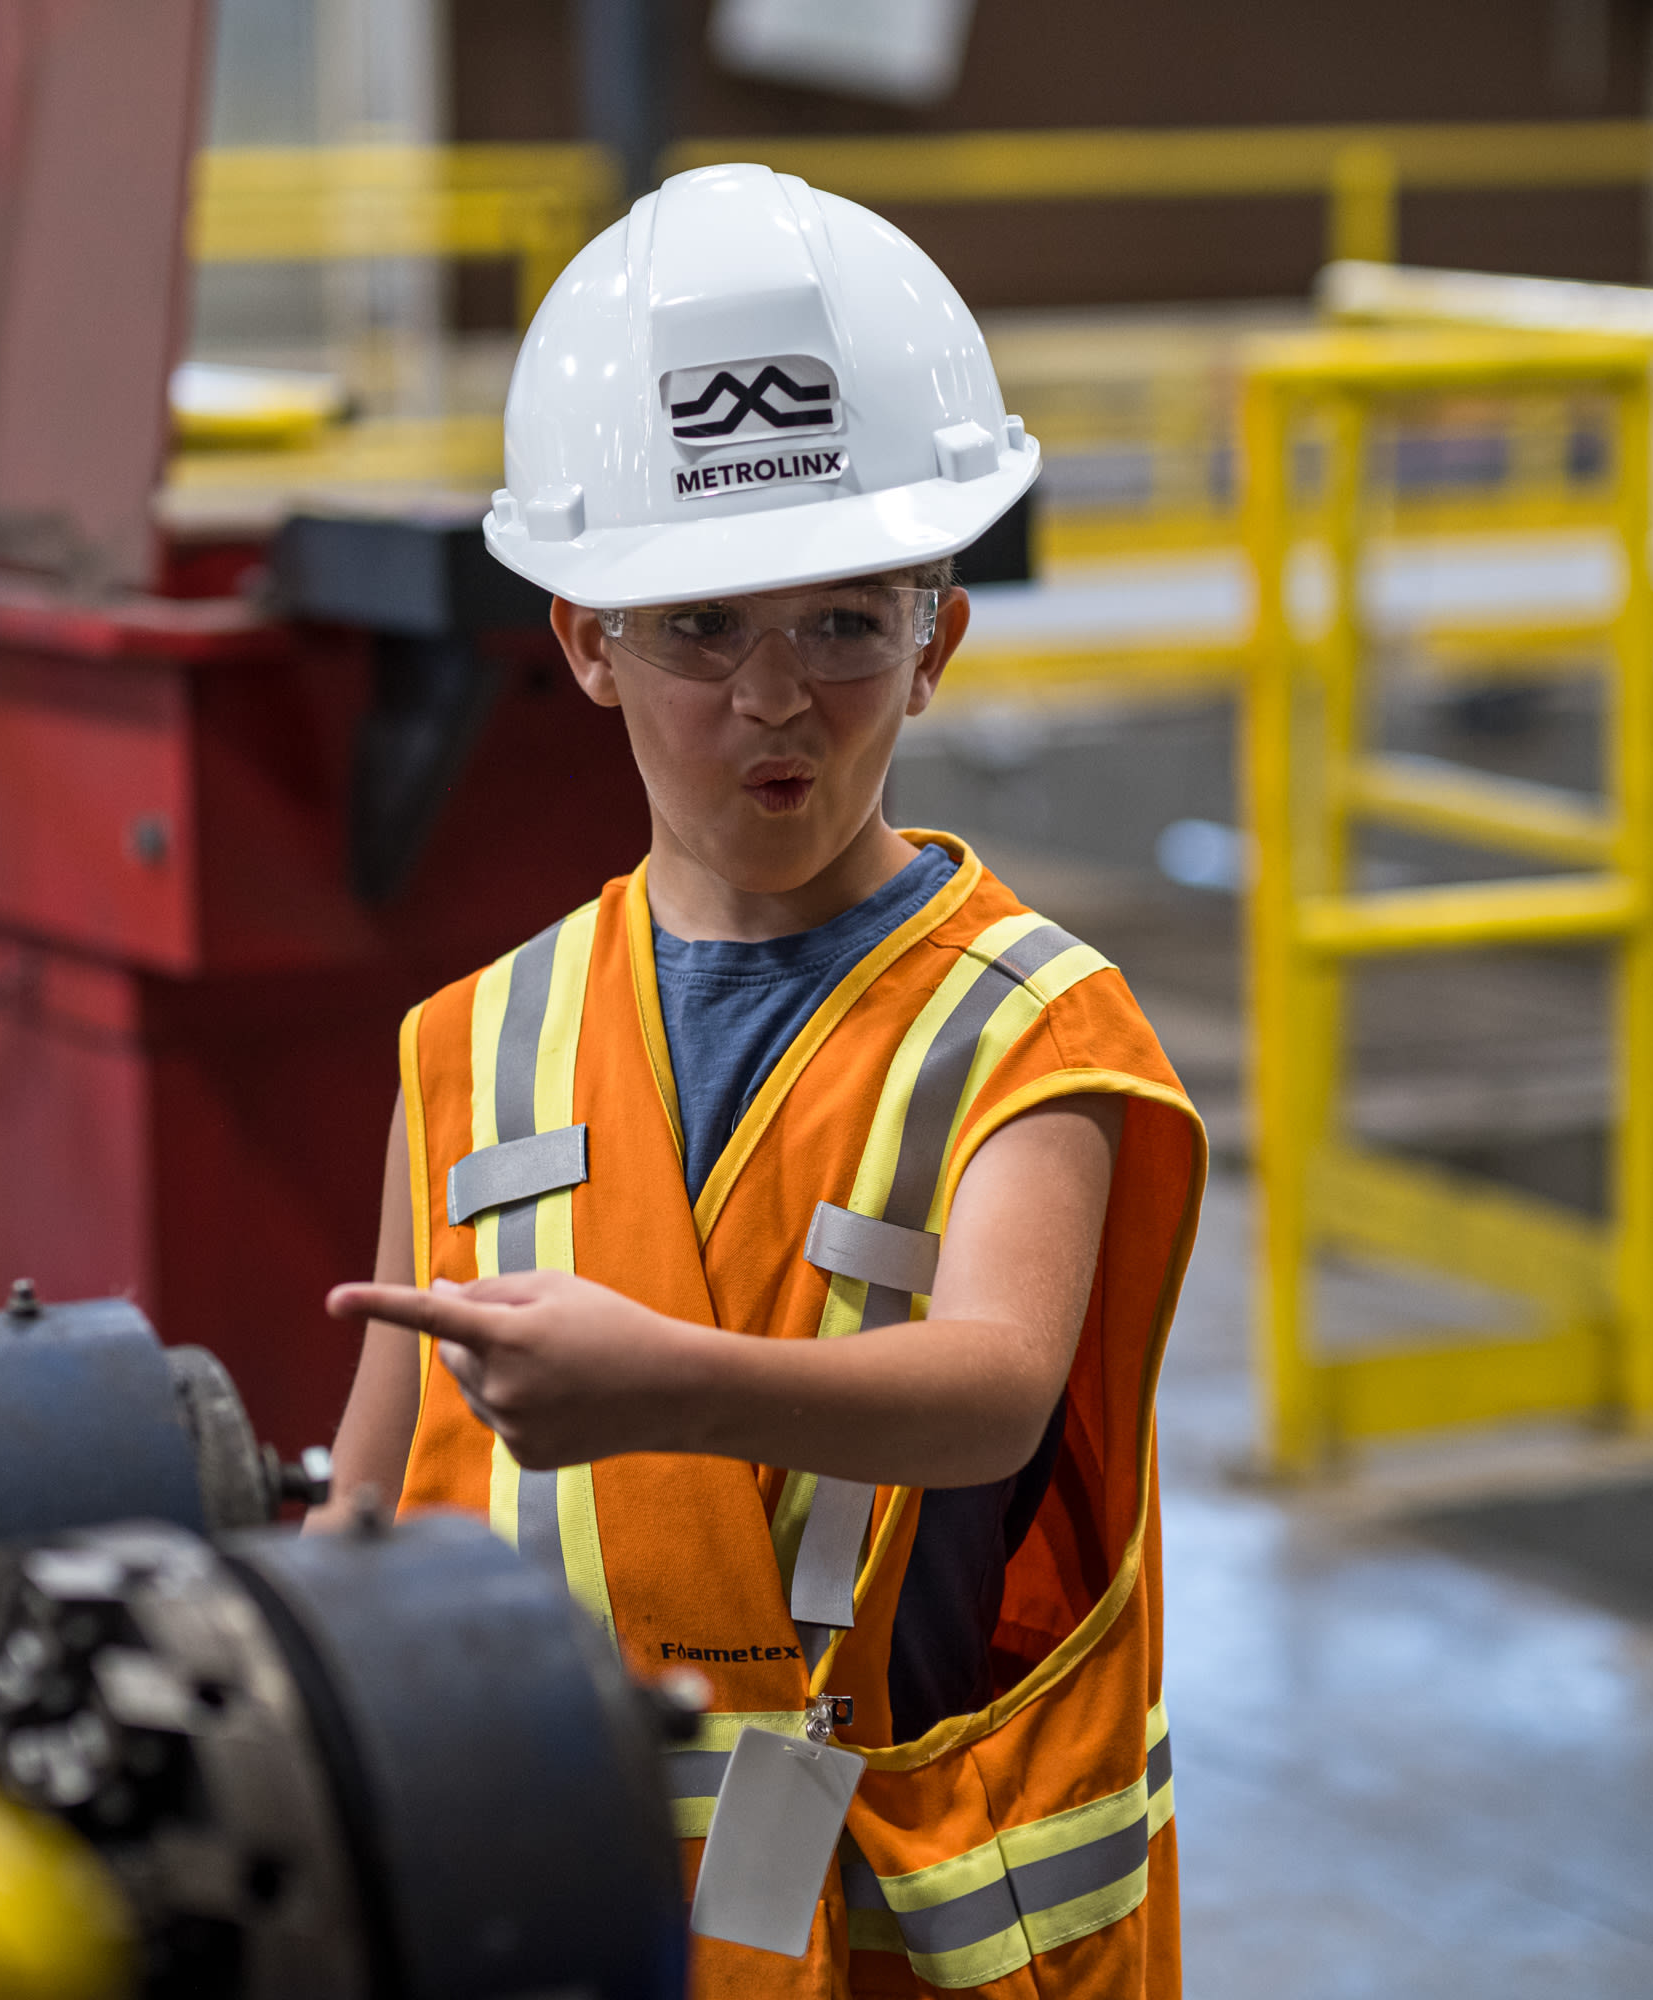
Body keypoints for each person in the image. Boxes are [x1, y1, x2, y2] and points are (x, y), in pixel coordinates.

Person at [309, 163, 1205, 2000]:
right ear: (583, 645)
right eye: (700, 629)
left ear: (936, 643)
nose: (775, 698)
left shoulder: (1030, 1024)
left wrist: (659, 1387)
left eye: (843, 625)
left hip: (906, 1945)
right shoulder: (469, 1043)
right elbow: (375, 1478)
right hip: (559, 1900)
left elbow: (991, 1398)